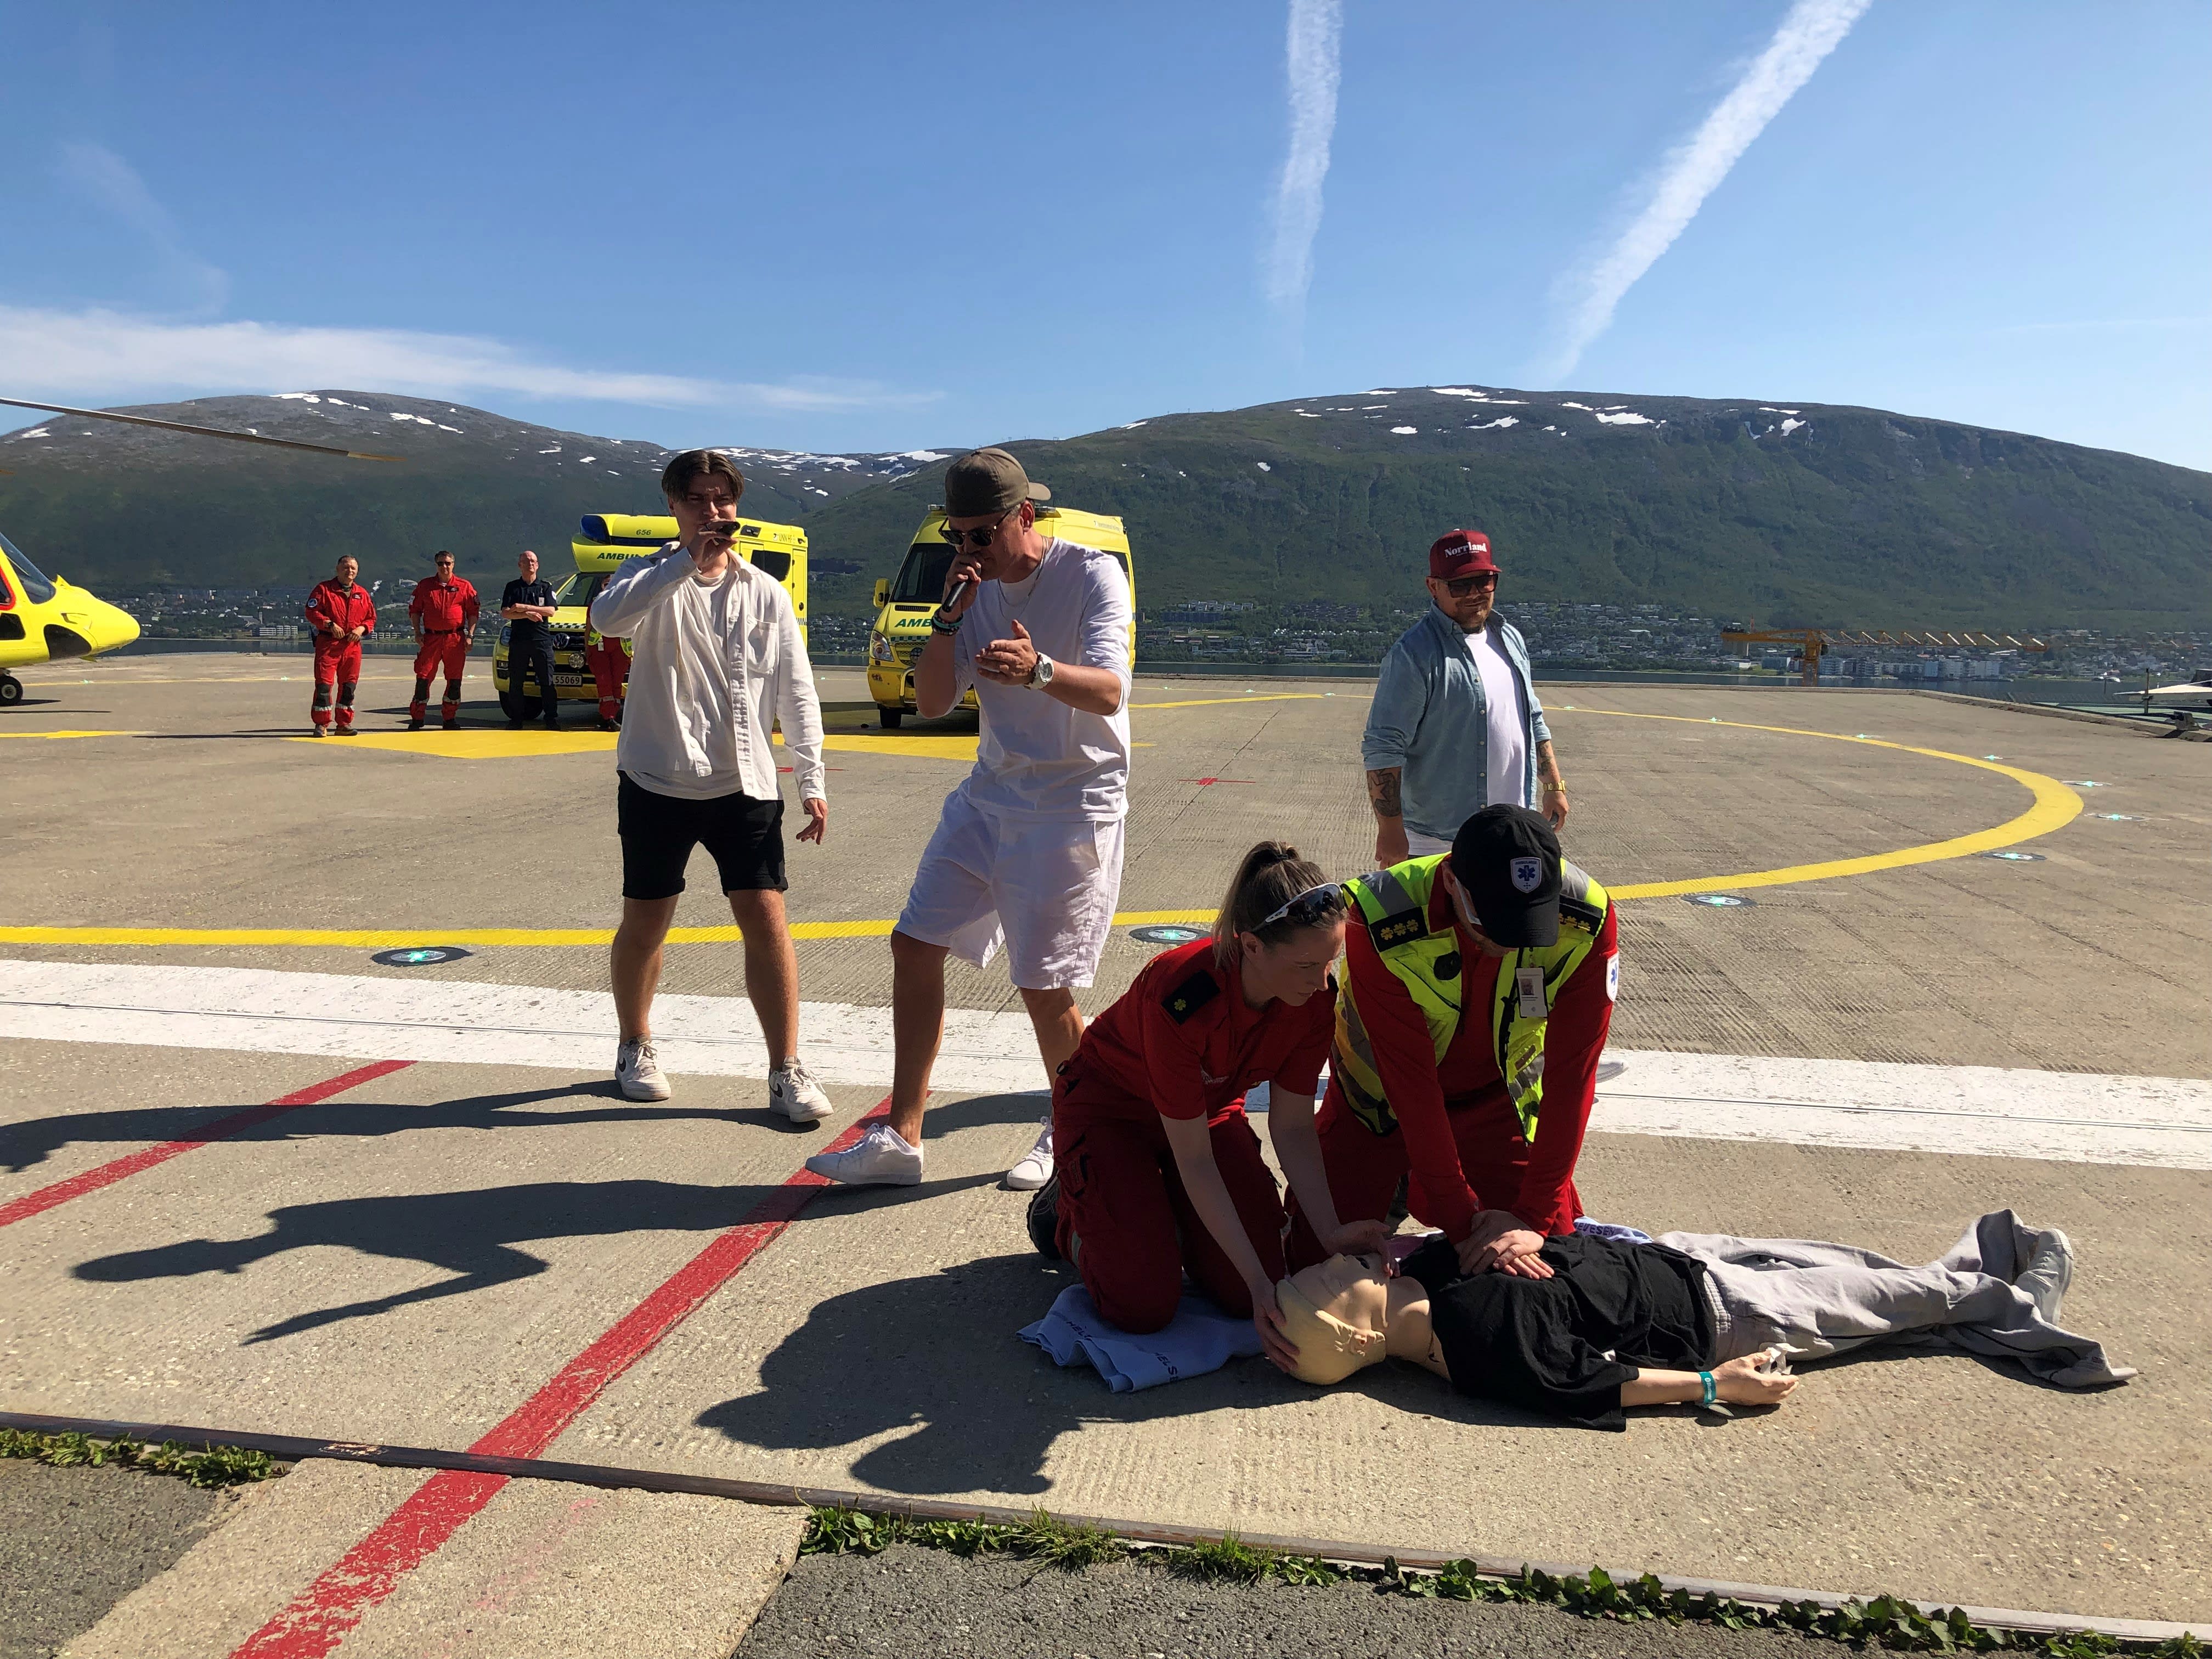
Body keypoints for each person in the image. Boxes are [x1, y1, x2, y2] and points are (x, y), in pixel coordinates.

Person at [806, 447, 1132, 1190]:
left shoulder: (1091, 574)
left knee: (1042, 986)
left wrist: (1039, 670)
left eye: (982, 535)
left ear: (1026, 516)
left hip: (1072, 802)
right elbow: (929, 703)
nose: (969, 550)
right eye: (957, 536)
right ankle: (902, 1137)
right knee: (914, 943)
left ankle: (1075, 1130)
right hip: (990, 795)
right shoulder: (969, 588)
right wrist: (949, 620)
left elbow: (1112, 691)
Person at [1272, 1210, 2134, 1430]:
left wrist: (1502, 1230)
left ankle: (1991, 1273)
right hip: (1726, 1319)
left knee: (1866, 1272)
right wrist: (1718, 1385)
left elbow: (1467, 1232)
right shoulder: (1478, 1345)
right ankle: (2027, 1307)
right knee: (1903, 1300)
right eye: (1327, 1283)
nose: (1332, 1264)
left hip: (1676, 1258)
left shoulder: (1419, 1274)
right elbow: (1598, 1383)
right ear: (1356, 1336)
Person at [1025, 844, 1386, 1358]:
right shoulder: (1183, 994)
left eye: (1332, 960)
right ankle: (1064, 1212)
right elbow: (1194, 1159)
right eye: (1307, 964)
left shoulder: (1313, 998)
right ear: (1251, 945)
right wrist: (1261, 1287)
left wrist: (1330, 1233)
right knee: (1140, 1305)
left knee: (1245, 1292)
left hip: (1207, 1113)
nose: (1322, 980)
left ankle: (1155, 1212)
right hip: (1113, 1114)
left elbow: (1292, 1127)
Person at [587, 450, 833, 1123]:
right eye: (696, 499)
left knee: (767, 918)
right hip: (656, 779)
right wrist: (682, 563)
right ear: (673, 506)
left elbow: (797, 690)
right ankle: (635, 1044)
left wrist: (811, 778)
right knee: (647, 919)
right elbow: (607, 620)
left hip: (744, 783)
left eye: (722, 498)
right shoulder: (647, 576)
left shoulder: (765, 591)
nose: (712, 511)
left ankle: (786, 1067)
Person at [1284, 804, 1616, 1282]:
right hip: (1378, 1106)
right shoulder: (1381, 917)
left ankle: (1431, 1184)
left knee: (1556, 1262)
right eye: (1490, 919)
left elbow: (1574, 1076)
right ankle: (1407, 1182)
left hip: (1496, 1102)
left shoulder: (1588, 918)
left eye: (1527, 922)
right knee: (1310, 1270)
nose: (1507, 939)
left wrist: (1534, 1215)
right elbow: (1411, 1087)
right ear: (1450, 881)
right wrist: (1462, 1224)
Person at [1363, 530, 1567, 865]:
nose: (1474, 593)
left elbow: (1532, 719)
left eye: (1484, 581)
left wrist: (1554, 786)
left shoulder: (1510, 640)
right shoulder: (1414, 655)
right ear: (1433, 587)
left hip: (1514, 830)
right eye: (1460, 585)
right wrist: (1391, 831)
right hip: (1437, 842)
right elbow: (1383, 746)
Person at [405, 550, 480, 730]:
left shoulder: (464, 586)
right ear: (436, 565)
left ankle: (449, 718)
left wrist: (470, 636)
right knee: (423, 678)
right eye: (441, 563)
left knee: (454, 680)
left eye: (447, 563)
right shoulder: (425, 586)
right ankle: (417, 718)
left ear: (453, 564)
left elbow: (473, 613)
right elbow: (415, 610)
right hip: (431, 638)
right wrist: (417, 633)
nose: (444, 567)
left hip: (455, 639)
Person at [304, 555, 375, 736]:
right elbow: (311, 611)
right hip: (328, 644)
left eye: (353, 568)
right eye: (346, 567)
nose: (349, 571)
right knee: (324, 685)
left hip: (352, 646)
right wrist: (329, 624)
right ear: (338, 569)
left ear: (357, 571)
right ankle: (321, 723)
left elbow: (371, 618)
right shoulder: (324, 590)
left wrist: (361, 629)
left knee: (349, 686)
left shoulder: (362, 594)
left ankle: (344, 723)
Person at [500, 549, 562, 730]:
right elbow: (506, 613)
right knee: (516, 681)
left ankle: (551, 719)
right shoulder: (513, 587)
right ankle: (516, 719)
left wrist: (523, 607)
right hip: (519, 641)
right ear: (520, 565)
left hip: (541, 640)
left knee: (547, 681)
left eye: (533, 561)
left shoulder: (545, 587)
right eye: (527, 561)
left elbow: (551, 611)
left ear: (538, 565)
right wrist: (526, 615)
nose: (530, 564)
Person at [586, 624, 631, 732]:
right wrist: (587, 648)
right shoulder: (594, 610)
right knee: (604, 682)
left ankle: (611, 716)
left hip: (621, 646)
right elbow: (589, 627)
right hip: (599, 645)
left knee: (617, 682)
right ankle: (609, 716)